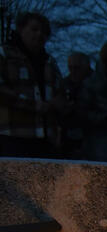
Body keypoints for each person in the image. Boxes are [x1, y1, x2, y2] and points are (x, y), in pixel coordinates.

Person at [0, 12, 62, 157]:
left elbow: (60, 93)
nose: (40, 34)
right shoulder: (4, 54)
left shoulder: (50, 62)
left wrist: (57, 104)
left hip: (45, 138)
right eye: (34, 29)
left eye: (45, 32)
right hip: (12, 135)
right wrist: (33, 105)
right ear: (21, 29)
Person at [58, 52, 92, 158]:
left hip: (92, 135)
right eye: (70, 67)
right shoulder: (64, 84)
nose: (73, 71)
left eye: (77, 68)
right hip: (69, 137)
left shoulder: (96, 84)